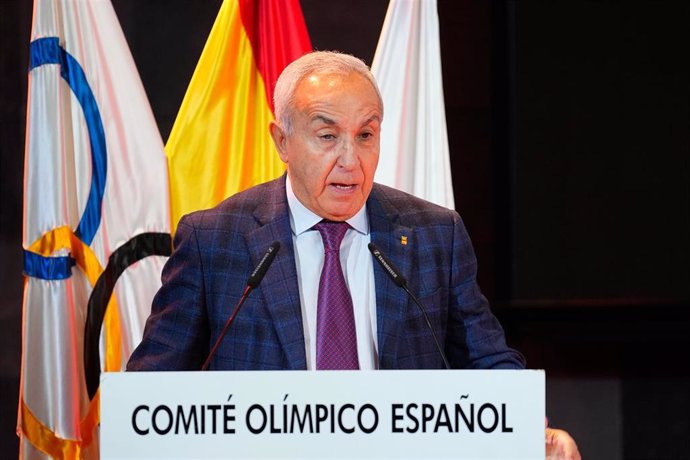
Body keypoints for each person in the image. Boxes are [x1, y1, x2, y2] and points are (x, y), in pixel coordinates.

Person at [127, 51, 580, 459]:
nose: (350, 159)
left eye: (365, 135)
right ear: (281, 140)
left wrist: (532, 430)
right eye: (327, 136)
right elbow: (153, 393)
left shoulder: (433, 234)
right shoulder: (215, 240)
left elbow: (488, 364)